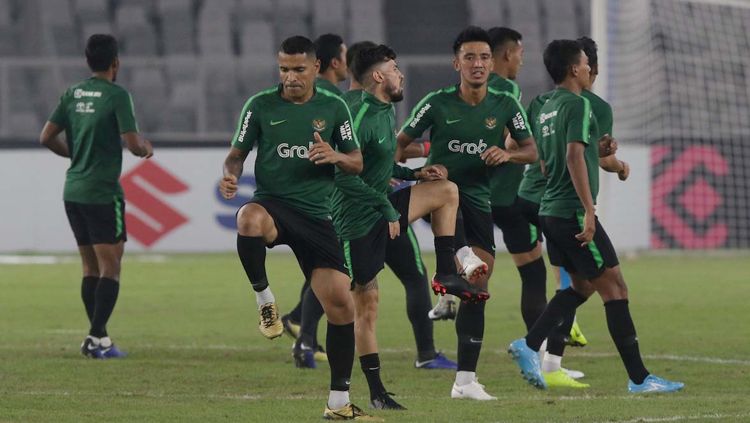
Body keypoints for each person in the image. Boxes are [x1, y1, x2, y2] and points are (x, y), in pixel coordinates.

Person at [508, 39, 684, 394]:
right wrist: (589, 210)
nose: (590, 69)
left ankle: (529, 344)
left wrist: (597, 152)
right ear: (575, 69)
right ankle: (639, 379)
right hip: (571, 211)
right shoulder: (580, 105)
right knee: (615, 287)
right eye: (587, 64)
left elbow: (545, 157)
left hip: (548, 208)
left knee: (582, 285)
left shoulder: (544, 106)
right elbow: (574, 157)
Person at [218, 36, 378, 419]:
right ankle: (265, 301)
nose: (290, 77)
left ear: (316, 68)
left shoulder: (333, 106)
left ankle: (338, 404)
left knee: (341, 308)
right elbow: (236, 156)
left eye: (298, 70)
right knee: (248, 219)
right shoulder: (260, 106)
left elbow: (356, 161)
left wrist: (335, 155)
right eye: (284, 69)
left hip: (318, 216)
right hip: (274, 204)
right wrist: (230, 175)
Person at [335, 44, 488, 409]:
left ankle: (446, 274)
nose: (400, 74)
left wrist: (415, 173)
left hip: (380, 207)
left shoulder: (386, 111)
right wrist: (385, 208)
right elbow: (339, 177)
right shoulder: (356, 116)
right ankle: (375, 393)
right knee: (366, 308)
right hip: (355, 224)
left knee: (445, 190)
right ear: (378, 76)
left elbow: (382, 169)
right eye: (394, 67)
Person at [398, 26, 537, 400]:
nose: (478, 64)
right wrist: (420, 168)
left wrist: (508, 154)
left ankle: (465, 381)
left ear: (493, 63)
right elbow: (398, 146)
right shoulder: (436, 102)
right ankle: (458, 256)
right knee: (465, 250)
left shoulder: (506, 105)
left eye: (484, 58)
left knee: (479, 286)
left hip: (477, 198)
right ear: (456, 62)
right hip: (438, 196)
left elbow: (532, 150)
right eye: (470, 57)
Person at [39, 34, 153, 359]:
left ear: (88, 61)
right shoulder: (117, 96)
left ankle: (98, 338)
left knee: (89, 267)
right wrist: (146, 147)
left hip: (73, 190)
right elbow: (132, 144)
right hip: (103, 193)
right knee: (111, 267)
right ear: (116, 63)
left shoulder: (72, 93)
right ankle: (97, 337)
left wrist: (75, 156)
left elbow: (46, 136)